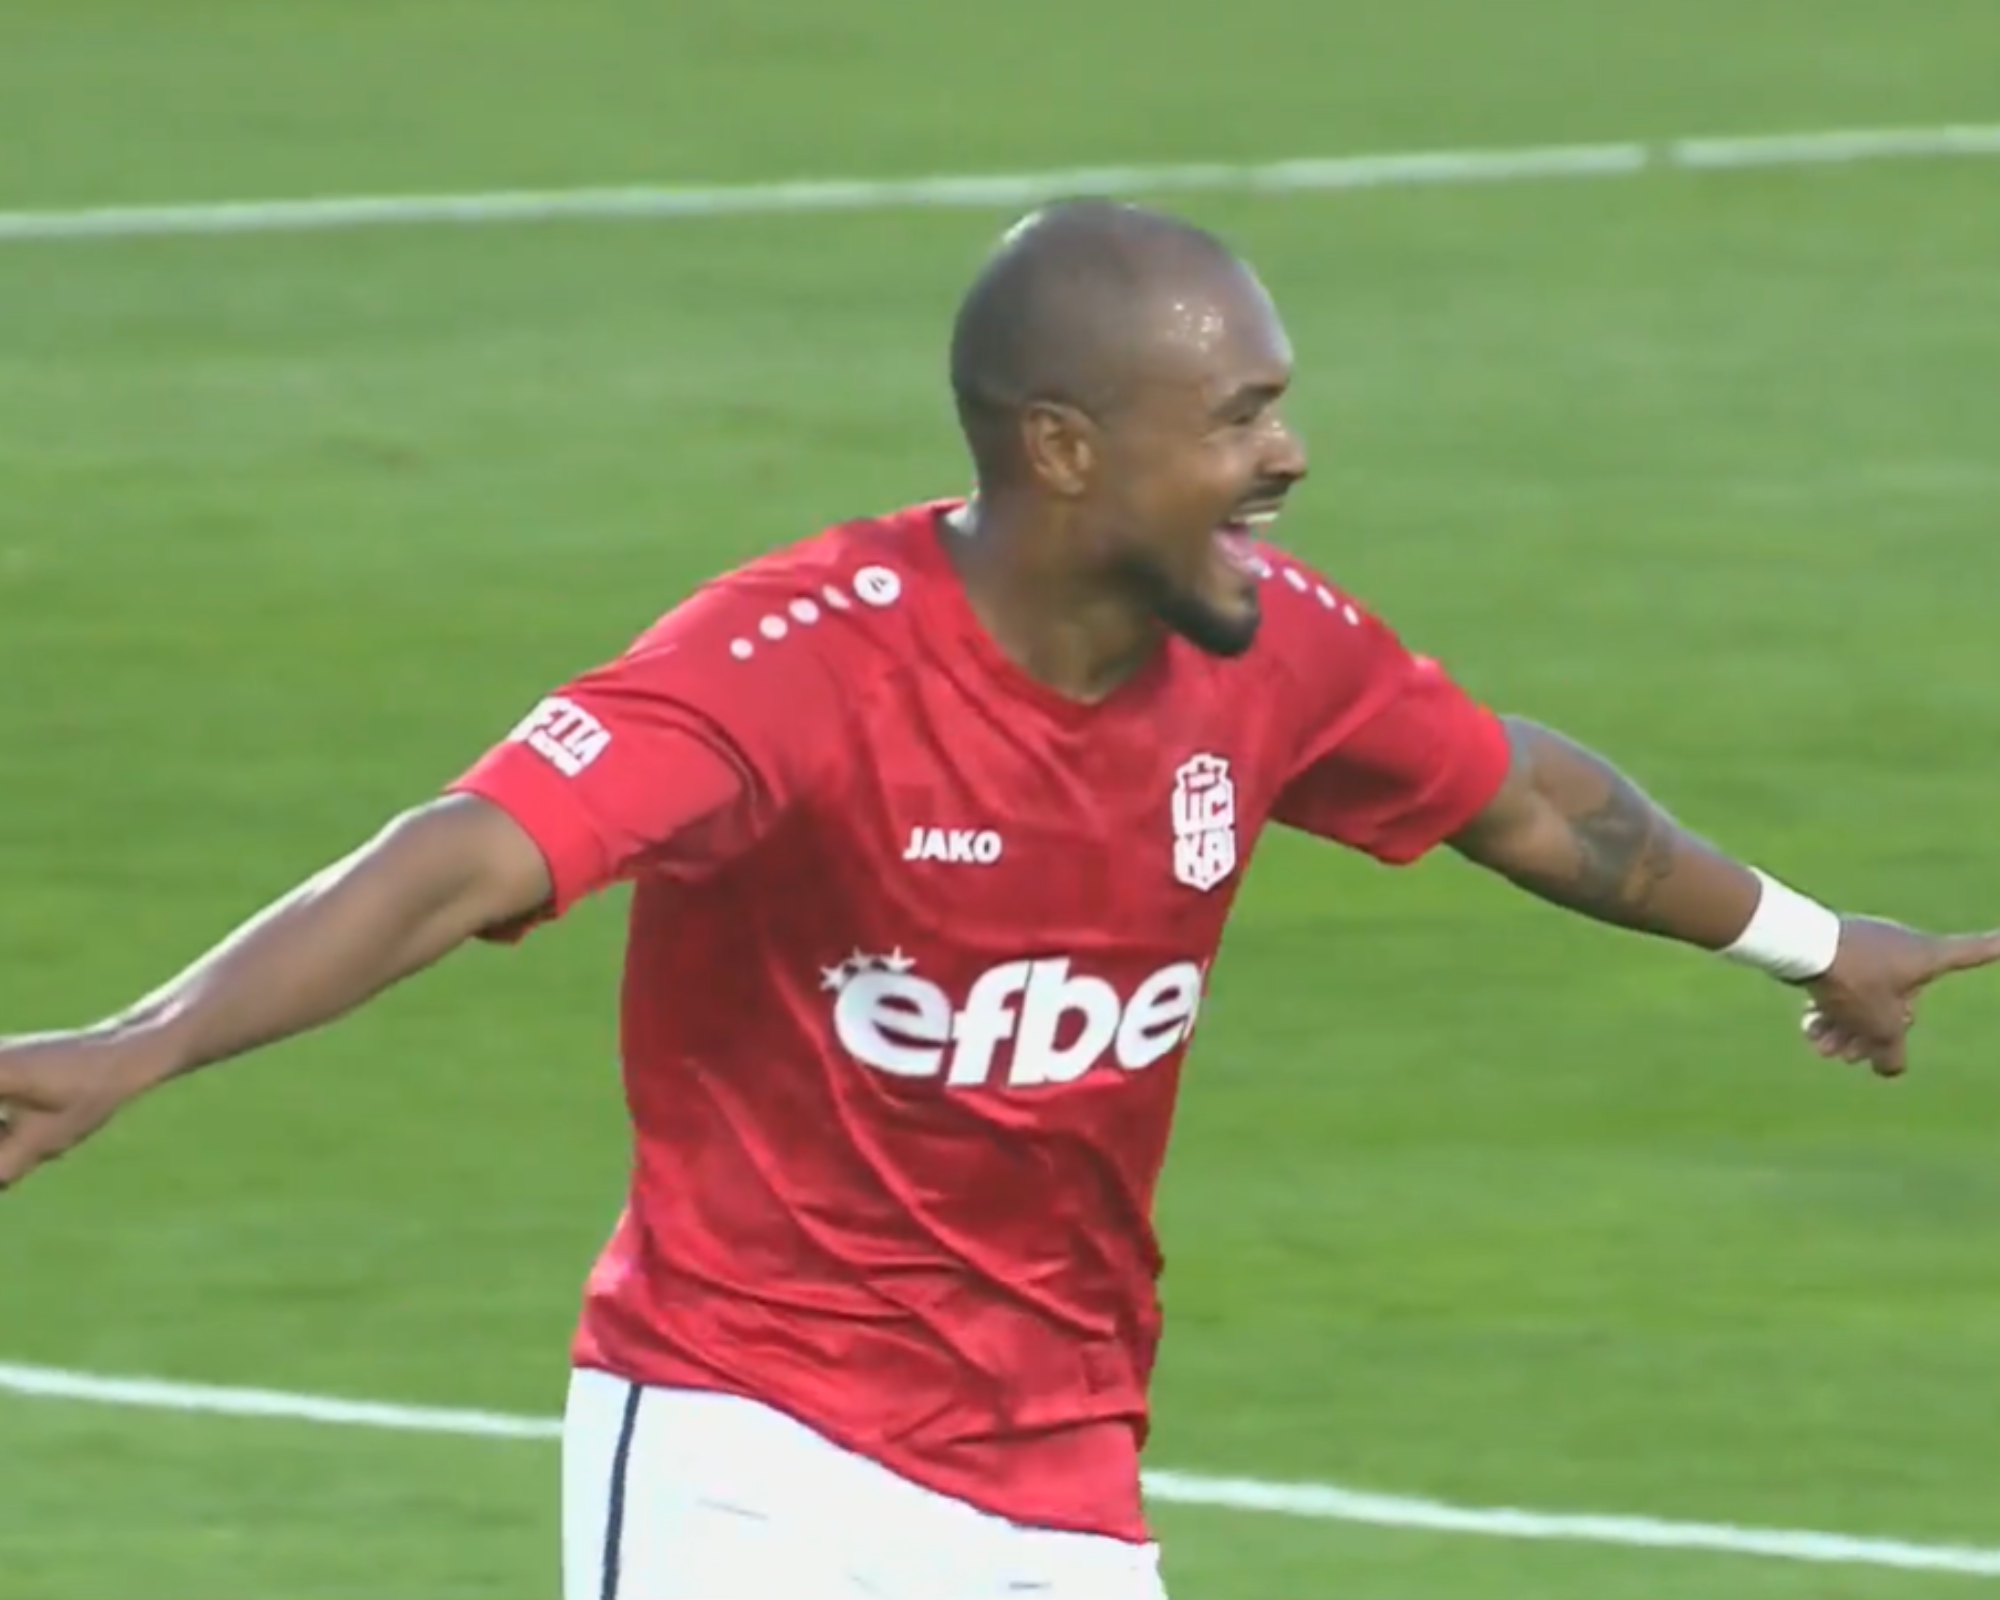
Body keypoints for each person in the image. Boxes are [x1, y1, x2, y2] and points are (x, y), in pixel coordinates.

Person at [1, 199, 1992, 1600]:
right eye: (1237, 417)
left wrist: (1820, 943)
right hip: (748, 1452)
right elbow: (463, 855)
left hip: (1061, 1474)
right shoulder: (796, 663)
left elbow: (1526, 798)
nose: (1287, 454)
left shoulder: (1275, 652)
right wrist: (141, 1044)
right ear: (1063, 447)